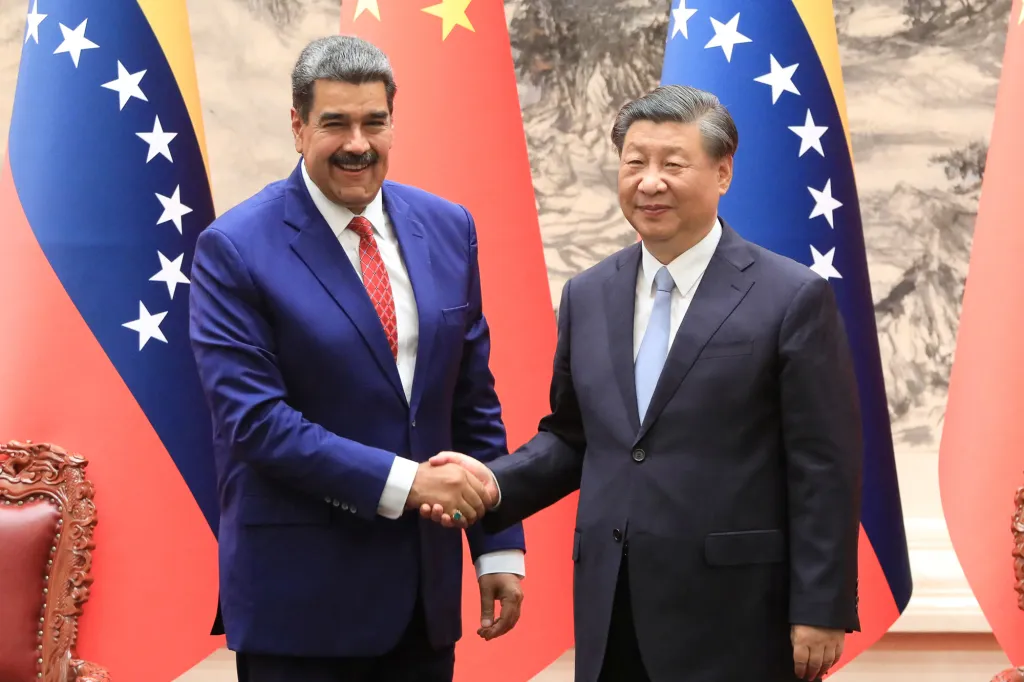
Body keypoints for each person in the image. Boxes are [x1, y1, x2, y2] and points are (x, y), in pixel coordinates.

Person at [426, 84, 862, 682]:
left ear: (723, 171)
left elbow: (824, 465)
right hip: (613, 607)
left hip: (737, 616)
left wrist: (821, 607)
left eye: (672, 164)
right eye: (634, 162)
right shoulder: (588, 293)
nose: (649, 182)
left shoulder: (790, 297)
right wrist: (491, 485)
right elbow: (575, 438)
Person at [188, 35, 526, 682]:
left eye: (374, 122)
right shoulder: (234, 248)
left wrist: (497, 545)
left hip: (423, 607)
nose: (357, 143)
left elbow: (470, 401)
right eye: (335, 123)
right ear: (298, 126)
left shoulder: (449, 227)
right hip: (301, 609)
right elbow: (255, 423)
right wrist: (411, 483)